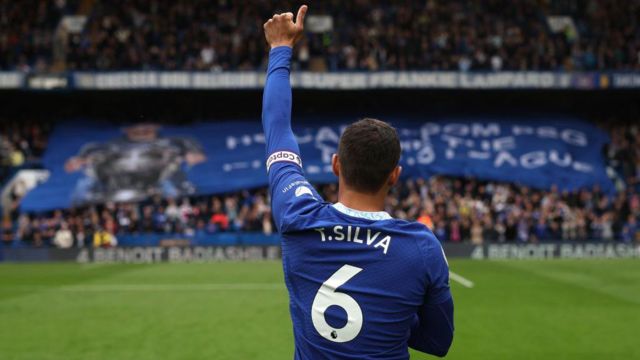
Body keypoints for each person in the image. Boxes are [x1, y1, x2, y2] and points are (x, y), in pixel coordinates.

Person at [262, 6, 453, 359]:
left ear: (336, 165)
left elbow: (278, 130)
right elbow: (438, 343)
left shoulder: (298, 215)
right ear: (395, 175)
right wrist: (390, 313)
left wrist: (280, 49)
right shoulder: (422, 246)